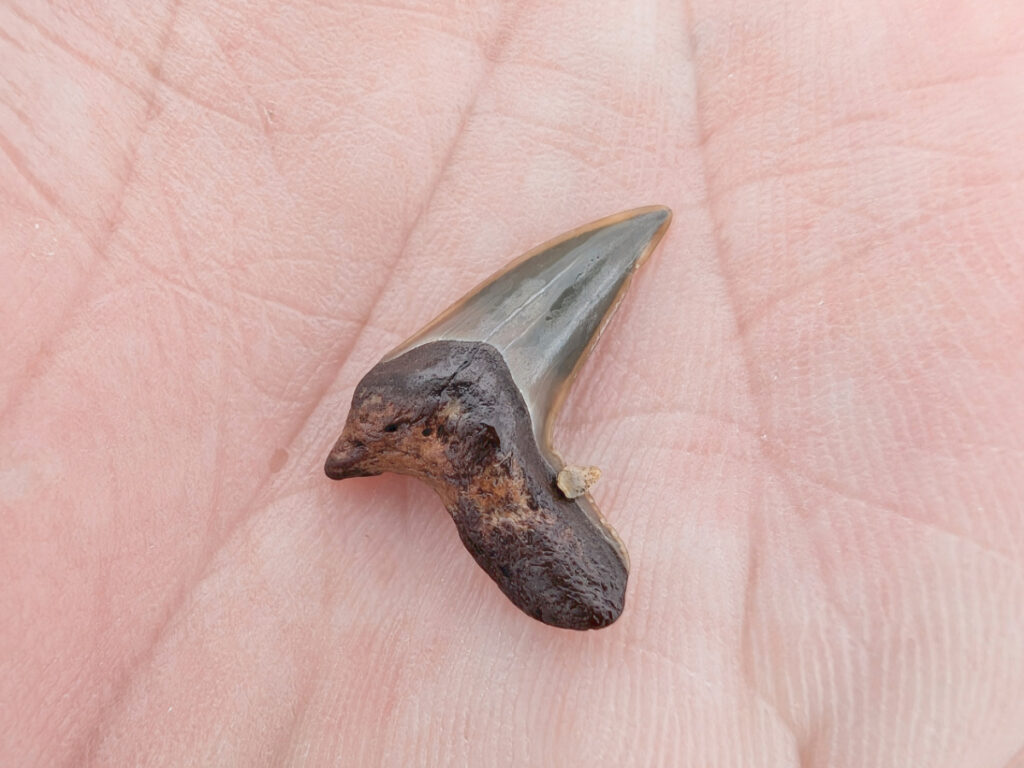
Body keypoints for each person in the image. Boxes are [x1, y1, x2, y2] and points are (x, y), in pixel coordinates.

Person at [2, 1, 1022, 765]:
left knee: (476, 434)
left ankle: (448, 428)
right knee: (466, 425)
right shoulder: (462, 425)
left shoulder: (485, 444)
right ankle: (444, 429)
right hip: (449, 406)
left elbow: (588, 591)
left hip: (452, 405)